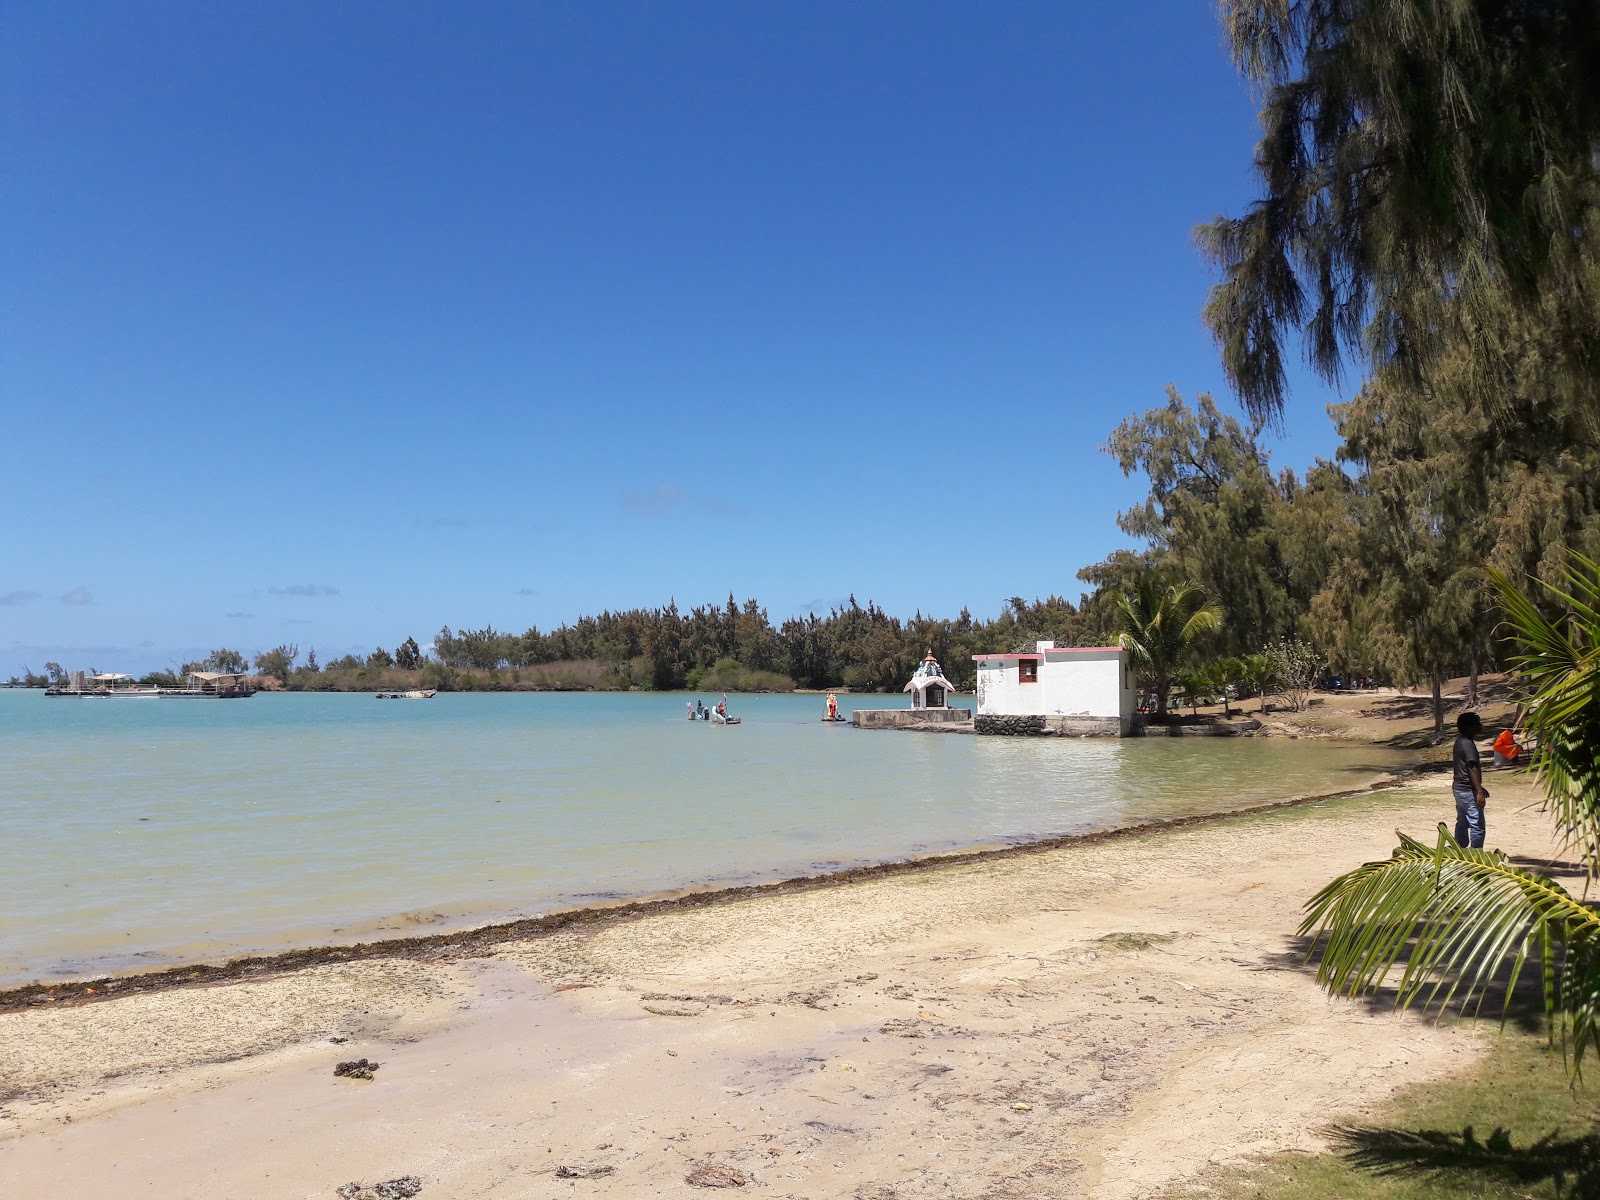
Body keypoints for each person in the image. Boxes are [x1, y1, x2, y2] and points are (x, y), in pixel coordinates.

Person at [1452, 711, 1488, 849]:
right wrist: (1478, 790)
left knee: (1462, 820)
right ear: (1469, 727)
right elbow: (1471, 766)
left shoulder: (1461, 741)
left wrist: (1480, 787)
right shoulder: (1467, 743)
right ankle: (1476, 854)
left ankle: (1459, 848)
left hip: (1460, 787)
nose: (1481, 726)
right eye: (1477, 724)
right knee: (1477, 823)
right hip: (1467, 789)